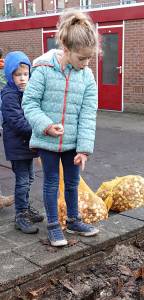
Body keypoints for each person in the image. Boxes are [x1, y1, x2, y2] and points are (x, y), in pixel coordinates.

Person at [22, 9, 99, 247]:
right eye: (81, 58)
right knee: (52, 181)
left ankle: (74, 220)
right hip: (47, 140)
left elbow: (88, 114)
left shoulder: (87, 76)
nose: (86, 64)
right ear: (66, 48)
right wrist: (46, 126)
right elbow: (29, 103)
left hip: (73, 142)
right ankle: (54, 226)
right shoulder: (43, 69)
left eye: (89, 58)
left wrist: (84, 149)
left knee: (73, 183)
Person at [1, 51, 44, 234]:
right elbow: (18, 122)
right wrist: (40, 130)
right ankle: (20, 215)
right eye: (18, 75)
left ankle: (25, 208)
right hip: (17, 146)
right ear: (10, 76)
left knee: (30, 178)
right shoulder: (9, 95)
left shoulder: (26, 92)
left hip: (26, 145)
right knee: (23, 181)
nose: (22, 78)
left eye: (25, 74)